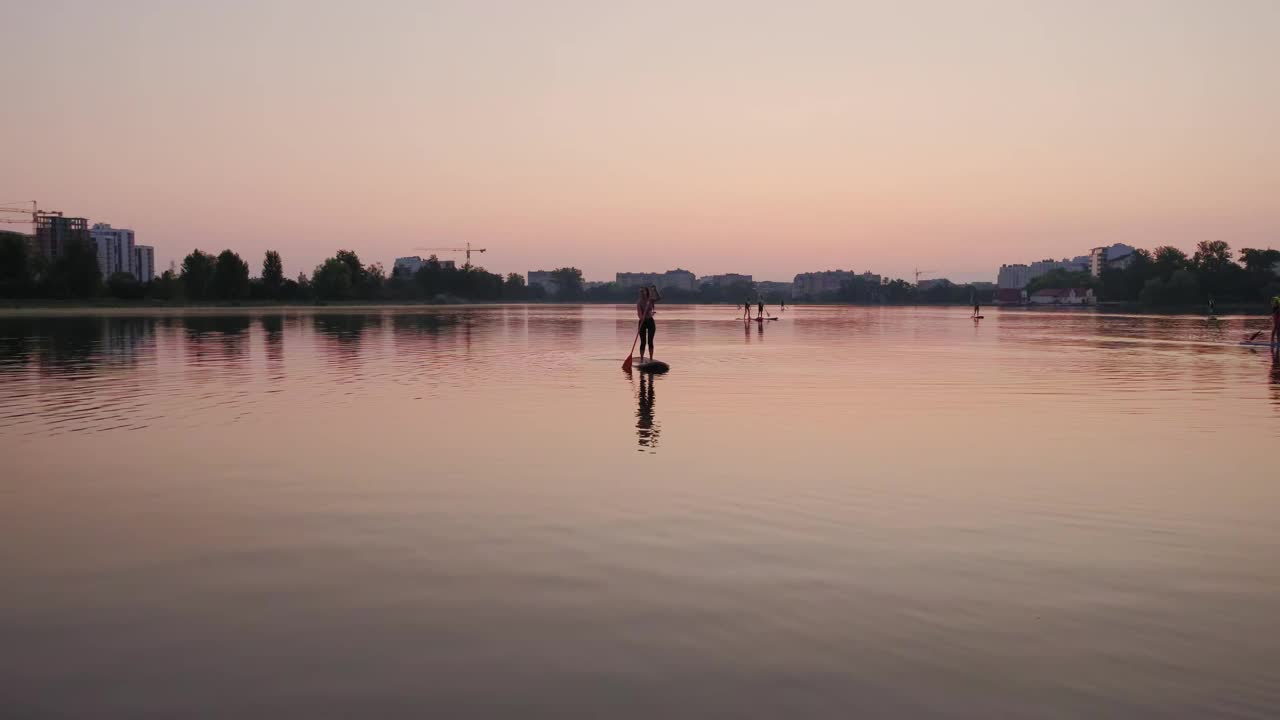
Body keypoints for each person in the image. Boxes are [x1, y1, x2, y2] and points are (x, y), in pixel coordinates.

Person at [637, 285, 661, 361]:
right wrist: (642, 317)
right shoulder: (639, 303)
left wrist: (655, 290)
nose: (642, 293)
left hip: (650, 321)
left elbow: (659, 298)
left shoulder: (650, 300)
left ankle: (651, 358)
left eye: (643, 291)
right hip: (642, 322)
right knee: (643, 341)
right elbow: (639, 314)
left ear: (647, 292)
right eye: (641, 292)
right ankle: (641, 358)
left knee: (650, 341)